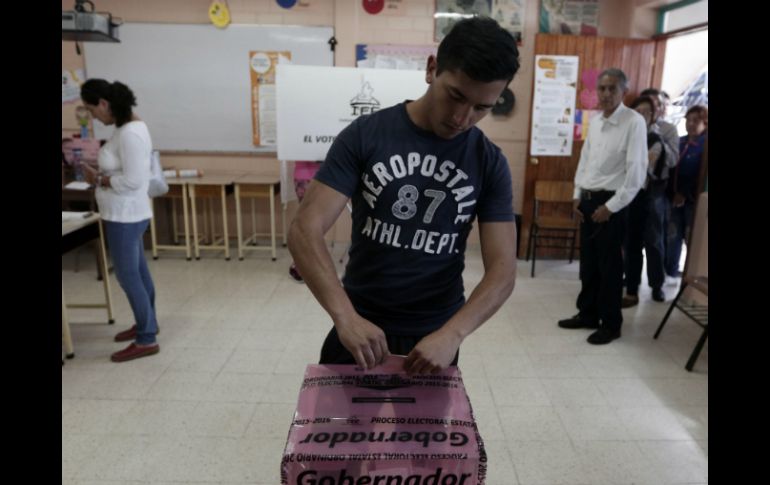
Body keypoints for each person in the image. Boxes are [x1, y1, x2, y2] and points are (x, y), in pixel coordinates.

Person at [288, 17, 520, 374]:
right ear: (432, 69)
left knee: (421, 432)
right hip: (359, 325)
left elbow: (503, 270)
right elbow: (305, 229)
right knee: (342, 430)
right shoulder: (366, 135)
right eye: (455, 95)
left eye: (481, 108)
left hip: (436, 336)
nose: (462, 117)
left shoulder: (489, 162)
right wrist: (345, 317)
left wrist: (454, 334)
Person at [557, 68, 647, 345]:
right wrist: (576, 193)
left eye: (612, 89)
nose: (606, 94)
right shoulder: (595, 121)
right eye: (602, 89)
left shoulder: (634, 122)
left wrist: (612, 207)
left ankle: (611, 323)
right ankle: (587, 314)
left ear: (624, 91)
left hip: (613, 202)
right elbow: (585, 160)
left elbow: (636, 172)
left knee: (610, 268)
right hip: (588, 199)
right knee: (589, 264)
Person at [79, 79, 160, 363]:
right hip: (124, 213)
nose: (92, 116)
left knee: (128, 275)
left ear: (104, 103)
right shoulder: (127, 129)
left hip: (125, 215)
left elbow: (134, 180)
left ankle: (147, 338)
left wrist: (98, 178)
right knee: (137, 272)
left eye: (91, 109)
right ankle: (147, 323)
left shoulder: (130, 134)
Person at [621, 95, 669, 308]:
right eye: (637, 112)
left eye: (646, 113)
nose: (641, 116)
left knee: (653, 243)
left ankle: (657, 285)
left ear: (653, 116)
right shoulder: (625, 136)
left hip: (647, 198)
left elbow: (641, 168)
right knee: (630, 245)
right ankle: (631, 291)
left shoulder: (655, 140)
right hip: (626, 197)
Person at [665, 105, 708, 278]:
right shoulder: (680, 141)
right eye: (688, 120)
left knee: (691, 237)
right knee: (672, 235)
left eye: (695, 120)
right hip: (674, 199)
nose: (691, 124)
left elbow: (699, 173)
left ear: (705, 122)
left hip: (693, 201)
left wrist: (683, 193)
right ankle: (670, 272)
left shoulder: (705, 145)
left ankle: (690, 278)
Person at [289, 161, 322, 282]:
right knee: (306, 222)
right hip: (306, 176)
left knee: (314, 223)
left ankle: (306, 264)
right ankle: (301, 264)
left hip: (322, 177)